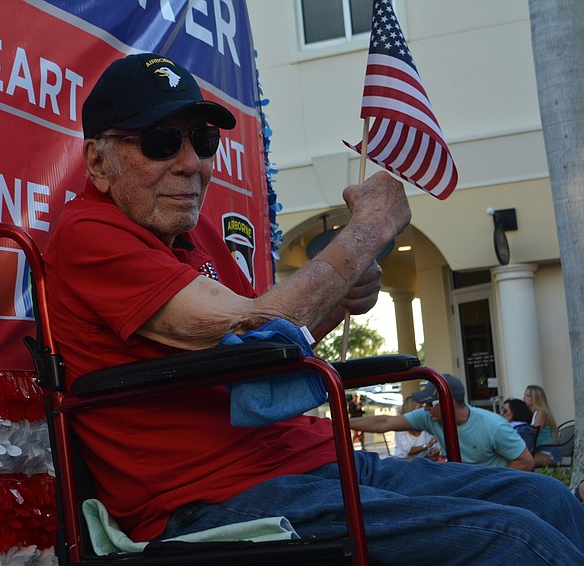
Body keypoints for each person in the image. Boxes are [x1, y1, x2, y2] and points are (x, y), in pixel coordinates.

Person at [44, 51, 584, 563]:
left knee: (547, 499)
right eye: (162, 142)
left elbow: (259, 356)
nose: (192, 165)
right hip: (203, 498)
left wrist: (335, 302)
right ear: (98, 161)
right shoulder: (90, 232)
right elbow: (249, 326)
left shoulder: (192, 230)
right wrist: (369, 229)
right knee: (514, 539)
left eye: (203, 140)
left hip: (301, 459)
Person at [351, 373, 535, 470]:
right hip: (461, 482)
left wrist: (491, 484)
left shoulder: (493, 425)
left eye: (429, 404)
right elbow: (385, 423)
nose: (424, 408)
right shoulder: (430, 416)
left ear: (449, 402)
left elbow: (526, 462)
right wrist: (341, 423)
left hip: (488, 486)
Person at [524, 384, 563, 467]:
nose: (524, 398)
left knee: (522, 461)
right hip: (540, 450)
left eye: (527, 396)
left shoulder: (541, 413)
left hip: (550, 452)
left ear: (536, 398)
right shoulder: (533, 414)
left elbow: (534, 432)